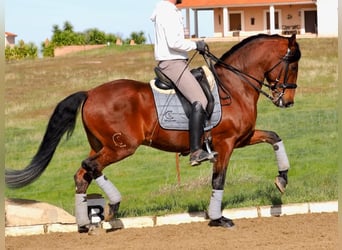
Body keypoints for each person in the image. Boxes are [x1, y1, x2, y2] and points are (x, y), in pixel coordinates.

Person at [151, 0, 217, 166]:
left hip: (175, 61)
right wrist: (196, 44)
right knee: (200, 100)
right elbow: (174, 42)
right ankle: (195, 151)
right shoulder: (168, 11)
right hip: (173, 63)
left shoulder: (167, 10)